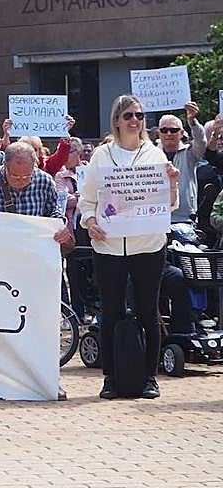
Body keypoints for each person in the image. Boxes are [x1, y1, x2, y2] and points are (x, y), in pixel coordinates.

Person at [79, 95, 180, 400]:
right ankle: (110, 378)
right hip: (109, 247)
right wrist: (90, 221)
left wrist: (172, 182)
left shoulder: (155, 155)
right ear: (117, 120)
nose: (134, 120)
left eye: (138, 115)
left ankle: (150, 377)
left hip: (148, 245)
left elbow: (169, 203)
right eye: (128, 115)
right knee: (110, 312)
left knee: (148, 311)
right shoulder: (101, 156)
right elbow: (88, 201)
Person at [156, 102, 205, 224]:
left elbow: (201, 141)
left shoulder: (190, 153)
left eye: (173, 130)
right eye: (164, 130)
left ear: (181, 133)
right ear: (158, 132)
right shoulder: (151, 154)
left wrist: (192, 121)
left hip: (184, 218)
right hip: (156, 217)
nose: (168, 134)